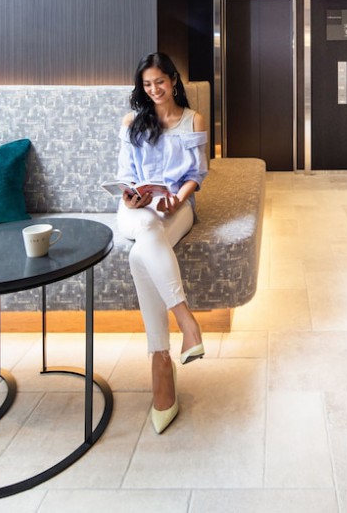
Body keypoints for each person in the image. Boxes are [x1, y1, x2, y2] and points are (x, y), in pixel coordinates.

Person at [114, 51, 208, 434]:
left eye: (160, 82)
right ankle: (186, 323)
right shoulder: (132, 123)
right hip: (137, 211)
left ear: (173, 80)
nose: (154, 90)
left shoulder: (192, 120)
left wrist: (178, 200)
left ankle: (160, 361)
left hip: (176, 206)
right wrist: (130, 197)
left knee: (141, 255)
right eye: (147, 84)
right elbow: (124, 174)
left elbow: (197, 174)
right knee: (147, 229)